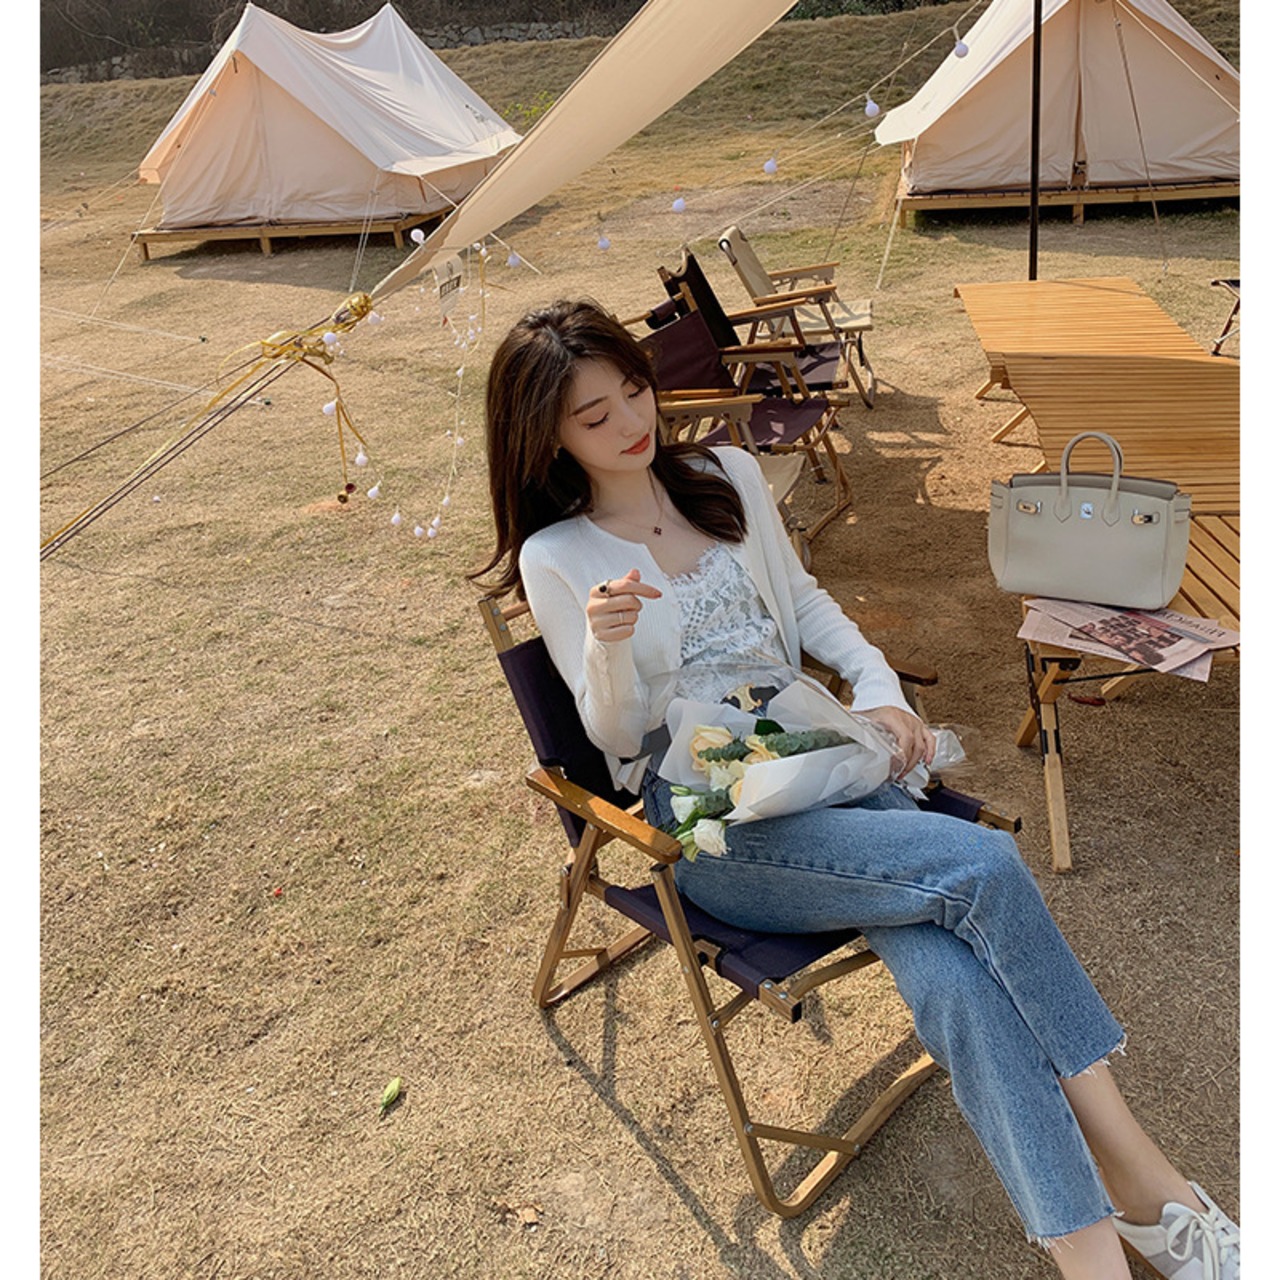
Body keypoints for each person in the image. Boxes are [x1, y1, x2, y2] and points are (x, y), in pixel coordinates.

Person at [471, 298, 1240, 1280]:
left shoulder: (725, 476)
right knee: (981, 865)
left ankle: (1092, 1252)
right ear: (546, 435)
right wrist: (607, 647)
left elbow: (805, 603)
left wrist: (877, 691)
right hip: (715, 820)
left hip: (818, 756)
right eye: (594, 415)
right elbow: (616, 738)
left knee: (953, 980)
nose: (631, 420)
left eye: (633, 388)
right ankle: (1146, 1184)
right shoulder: (558, 555)